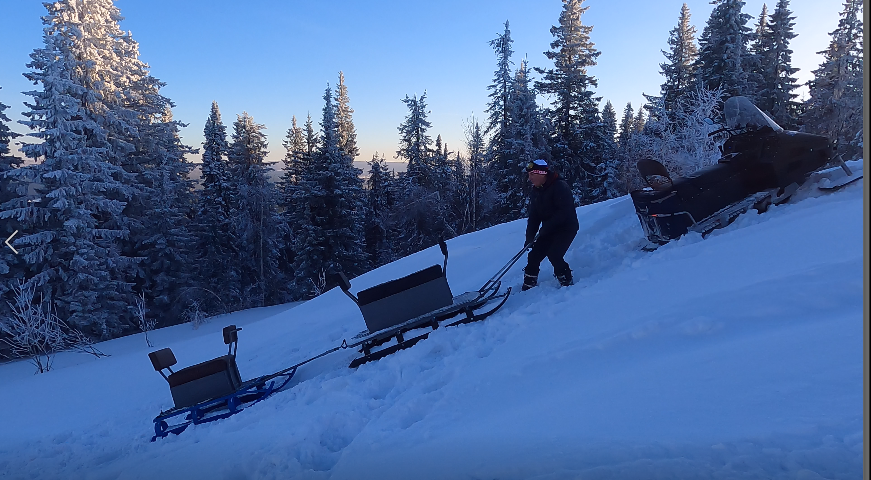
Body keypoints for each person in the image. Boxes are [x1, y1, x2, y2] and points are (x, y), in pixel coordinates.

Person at [522, 159, 579, 290]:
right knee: (534, 255)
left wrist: (546, 227)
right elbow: (534, 216)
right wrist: (529, 236)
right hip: (548, 229)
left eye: (532, 175)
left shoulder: (560, 186)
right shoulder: (536, 190)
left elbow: (564, 212)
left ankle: (566, 282)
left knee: (554, 254)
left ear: (542, 174)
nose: (529, 178)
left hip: (566, 228)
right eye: (529, 175)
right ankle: (528, 284)